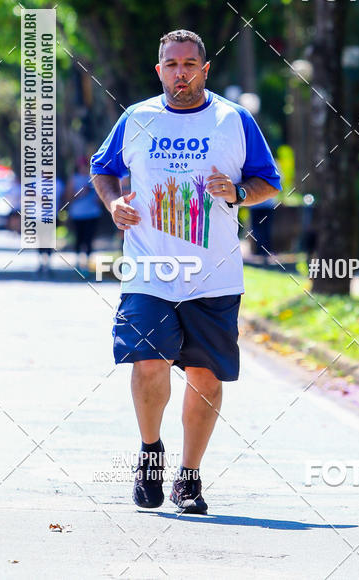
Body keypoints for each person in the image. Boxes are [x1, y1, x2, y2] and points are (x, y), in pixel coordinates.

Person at [90, 29, 281, 515]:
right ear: (159, 71)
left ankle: (189, 477)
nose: (181, 72)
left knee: (205, 377)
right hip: (149, 268)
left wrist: (238, 192)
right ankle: (151, 455)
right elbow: (102, 169)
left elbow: (268, 182)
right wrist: (114, 205)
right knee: (147, 361)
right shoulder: (137, 118)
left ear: (204, 69)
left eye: (189, 64)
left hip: (213, 275)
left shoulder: (232, 120)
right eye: (171, 65)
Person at [66, 157, 102, 269]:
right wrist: (81, 192)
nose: (84, 168)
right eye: (82, 166)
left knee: (89, 237)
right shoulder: (73, 179)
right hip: (77, 214)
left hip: (92, 213)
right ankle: (78, 261)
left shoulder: (95, 178)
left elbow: (101, 197)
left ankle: (87, 262)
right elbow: (69, 197)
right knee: (79, 237)